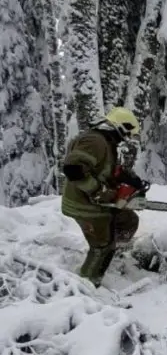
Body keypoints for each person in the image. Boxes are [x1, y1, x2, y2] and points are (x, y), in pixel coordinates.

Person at [60, 107, 145, 288]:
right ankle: (86, 284)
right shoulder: (95, 141)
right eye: (127, 134)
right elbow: (73, 169)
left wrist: (128, 179)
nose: (127, 138)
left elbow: (103, 169)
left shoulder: (105, 142)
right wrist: (99, 191)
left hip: (93, 202)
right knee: (103, 247)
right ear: (121, 126)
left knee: (128, 220)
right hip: (83, 205)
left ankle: (115, 255)